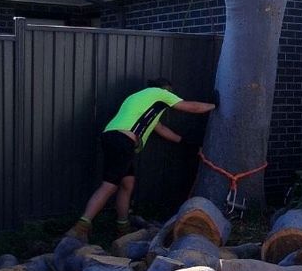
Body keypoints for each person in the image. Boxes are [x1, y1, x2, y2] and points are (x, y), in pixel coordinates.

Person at [67, 78, 216, 240]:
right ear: (165, 89)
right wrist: (214, 106)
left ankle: (122, 228)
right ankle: (80, 227)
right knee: (109, 185)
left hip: (113, 137)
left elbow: (162, 129)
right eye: (170, 92)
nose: (171, 95)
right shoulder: (160, 93)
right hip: (124, 140)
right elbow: (192, 107)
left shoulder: (141, 101)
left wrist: (189, 145)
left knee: (127, 184)